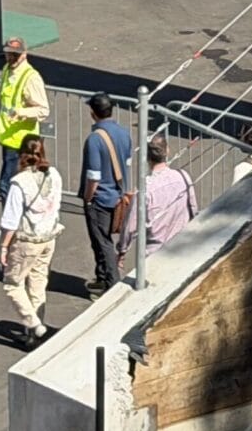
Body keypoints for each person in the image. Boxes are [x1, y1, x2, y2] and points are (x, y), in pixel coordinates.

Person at [0, 133, 65, 343]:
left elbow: (10, 220)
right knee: (37, 282)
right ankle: (34, 334)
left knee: (12, 283)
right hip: (49, 237)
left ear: (21, 155)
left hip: (27, 240)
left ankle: (33, 323)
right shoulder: (54, 174)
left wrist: (3, 247)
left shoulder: (19, 182)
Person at [0, 35, 48, 192]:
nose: (11, 57)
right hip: (8, 140)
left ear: (24, 54)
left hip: (24, 144)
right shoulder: (6, 70)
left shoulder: (31, 77)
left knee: (8, 187)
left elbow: (43, 110)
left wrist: (21, 112)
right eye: (8, 53)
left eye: (15, 54)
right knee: (12, 187)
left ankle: (12, 217)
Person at [79, 94, 132, 295]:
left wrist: (88, 197)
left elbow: (93, 176)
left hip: (99, 198)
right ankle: (102, 278)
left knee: (103, 243)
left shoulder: (95, 139)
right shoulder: (124, 133)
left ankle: (111, 286)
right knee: (102, 241)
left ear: (93, 114)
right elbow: (126, 164)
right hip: (117, 196)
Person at [144, 138, 198, 249]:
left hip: (155, 248)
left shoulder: (146, 187)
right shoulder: (183, 176)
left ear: (147, 157)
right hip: (182, 242)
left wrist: (122, 249)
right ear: (167, 151)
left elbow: (131, 226)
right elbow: (193, 207)